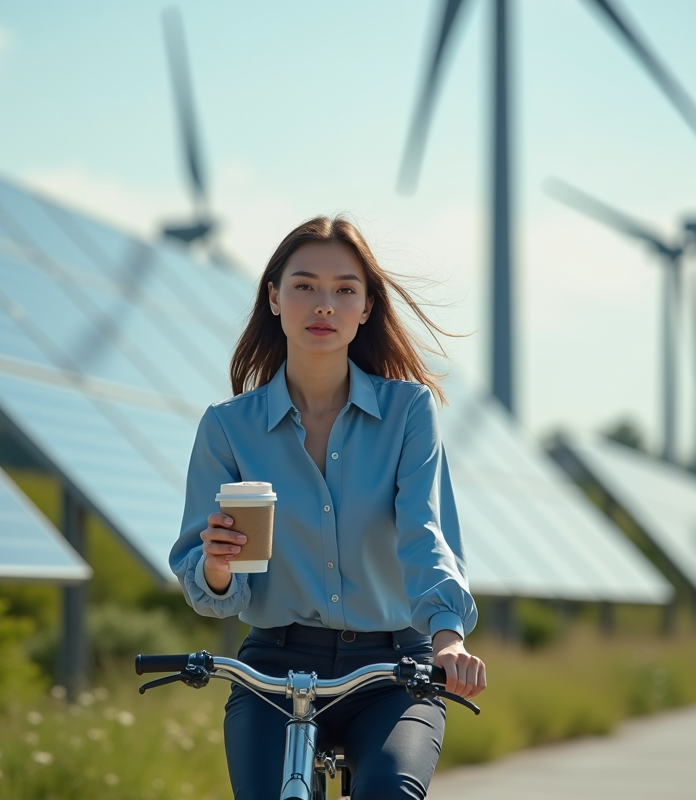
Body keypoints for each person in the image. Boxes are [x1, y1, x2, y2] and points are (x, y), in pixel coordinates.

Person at [169, 216, 486, 799]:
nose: (324, 304)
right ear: (273, 298)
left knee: (388, 791)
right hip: (272, 666)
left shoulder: (410, 412)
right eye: (305, 285)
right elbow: (209, 587)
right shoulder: (227, 427)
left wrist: (448, 636)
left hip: (396, 669)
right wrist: (216, 566)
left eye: (345, 289)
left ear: (366, 307)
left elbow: (425, 532)